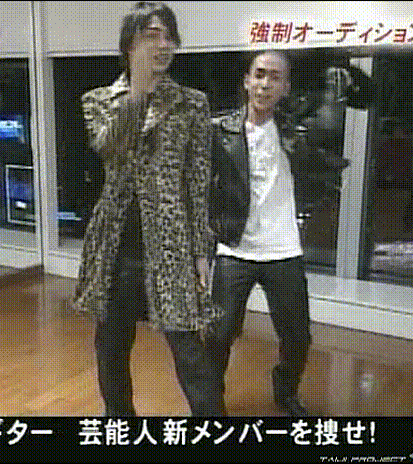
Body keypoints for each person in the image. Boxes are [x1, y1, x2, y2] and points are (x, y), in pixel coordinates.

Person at [73, 1, 224, 416]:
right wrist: (137, 93)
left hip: (171, 241)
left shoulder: (192, 104)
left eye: (169, 37)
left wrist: (201, 249)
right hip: (117, 243)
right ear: (129, 45)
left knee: (189, 348)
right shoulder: (99, 100)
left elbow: (198, 182)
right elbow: (109, 148)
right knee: (111, 345)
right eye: (151, 36)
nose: (163, 45)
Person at [206, 50, 348, 416]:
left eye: (275, 78)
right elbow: (200, 184)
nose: (264, 84)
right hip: (234, 249)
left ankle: (285, 390)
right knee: (219, 334)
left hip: (283, 250)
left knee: (298, 337)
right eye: (259, 74)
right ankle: (210, 400)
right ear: (246, 80)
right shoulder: (219, 131)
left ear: (285, 88)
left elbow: (330, 160)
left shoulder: (298, 132)